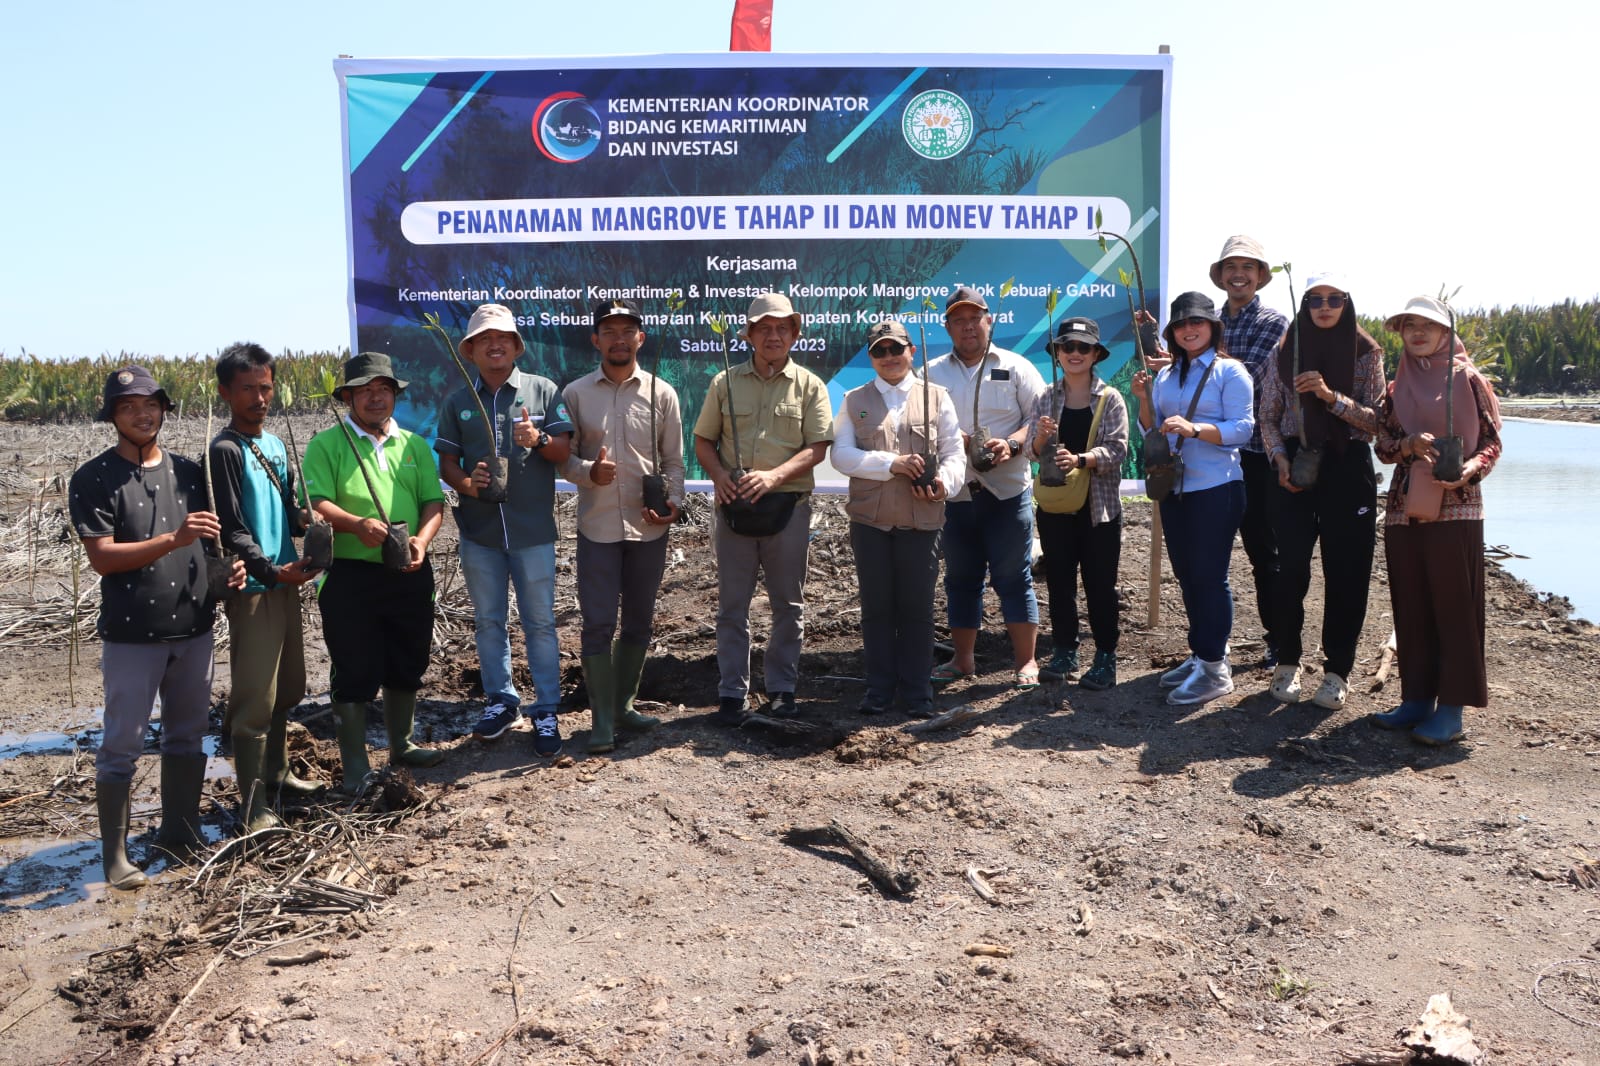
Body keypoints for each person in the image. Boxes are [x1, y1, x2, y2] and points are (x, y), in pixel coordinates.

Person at [69, 366, 246, 890]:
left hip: (194, 629)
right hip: (132, 635)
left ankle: (180, 831)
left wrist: (229, 571)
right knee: (122, 742)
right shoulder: (94, 478)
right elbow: (103, 558)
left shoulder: (192, 473)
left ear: (164, 410)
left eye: (150, 405)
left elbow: (212, 545)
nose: (142, 414)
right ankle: (115, 857)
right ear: (113, 417)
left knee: (187, 735)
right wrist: (173, 538)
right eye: (128, 407)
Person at [434, 304, 574, 757]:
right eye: (484, 340)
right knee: (489, 621)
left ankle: (547, 708)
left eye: (504, 339)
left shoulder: (543, 390)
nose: (495, 345)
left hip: (532, 530)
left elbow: (564, 449)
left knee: (540, 622)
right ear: (470, 350)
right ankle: (501, 701)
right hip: (480, 534)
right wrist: (466, 487)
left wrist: (540, 441)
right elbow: (448, 464)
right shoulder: (458, 402)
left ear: (516, 347)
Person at [303, 353, 446, 791]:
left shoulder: (414, 445)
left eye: (383, 389)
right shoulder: (327, 444)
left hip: (408, 570)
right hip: (351, 574)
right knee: (354, 665)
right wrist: (354, 524)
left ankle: (402, 744)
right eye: (365, 390)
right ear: (347, 397)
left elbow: (432, 503)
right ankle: (354, 764)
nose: (375, 397)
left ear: (395, 395)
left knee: (408, 657)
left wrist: (422, 540)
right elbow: (317, 504)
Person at [693, 292, 833, 723]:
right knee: (732, 606)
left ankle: (782, 690)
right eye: (765, 328)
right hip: (735, 510)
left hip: (787, 508)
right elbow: (703, 441)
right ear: (749, 335)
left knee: (788, 605)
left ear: (794, 334)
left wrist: (774, 477)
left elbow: (818, 447)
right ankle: (732, 694)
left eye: (782, 328)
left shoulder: (810, 386)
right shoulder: (725, 383)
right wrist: (719, 477)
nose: (774, 336)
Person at [1370, 295, 1502, 746]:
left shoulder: (1470, 380)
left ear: (1446, 333)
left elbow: (1492, 443)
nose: (1418, 333)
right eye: (1409, 326)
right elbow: (1383, 446)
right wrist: (1406, 445)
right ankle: (1416, 700)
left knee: (1454, 607)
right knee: (1412, 603)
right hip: (1405, 509)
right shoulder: (1394, 387)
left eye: (1428, 326)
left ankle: (1451, 710)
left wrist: (1469, 469)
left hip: (1457, 507)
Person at [209, 343, 324, 832]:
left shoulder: (275, 445)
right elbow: (232, 528)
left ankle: (276, 773)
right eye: (248, 389)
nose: (259, 398)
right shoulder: (226, 450)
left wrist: (307, 520)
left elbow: (290, 510)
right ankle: (253, 805)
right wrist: (271, 571)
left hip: (285, 580)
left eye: (266, 388)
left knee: (288, 687)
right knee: (254, 699)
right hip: (257, 585)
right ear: (225, 393)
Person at [563, 298, 685, 753]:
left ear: (641, 338)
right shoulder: (575, 393)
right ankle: (600, 723)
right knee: (597, 624)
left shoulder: (662, 393)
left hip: (648, 529)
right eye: (609, 331)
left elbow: (674, 460)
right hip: (596, 527)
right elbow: (564, 458)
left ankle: (623, 708)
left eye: (626, 330)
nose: (618, 338)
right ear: (596, 339)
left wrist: (672, 502)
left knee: (638, 622)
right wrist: (586, 472)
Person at [1259, 274, 1386, 712]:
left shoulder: (1366, 353)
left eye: (1334, 299)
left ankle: (1337, 671)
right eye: (1315, 299)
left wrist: (1332, 398)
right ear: (1305, 305)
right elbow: (1268, 418)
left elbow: (1378, 422)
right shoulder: (1284, 352)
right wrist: (1278, 459)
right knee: (1289, 567)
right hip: (1296, 464)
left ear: (1347, 303)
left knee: (1347, 570)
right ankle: (1287, 661)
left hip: (1348, 464)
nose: (1324, 306)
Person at [832, 319, 965, 718]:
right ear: (871, 357)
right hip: (870, 523)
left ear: (913, 351)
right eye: (879, 351)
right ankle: (878, 690)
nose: (889, 357)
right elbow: (841, 455)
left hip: (920, 522)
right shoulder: (854, 399)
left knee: (917, 608)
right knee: (876, 607)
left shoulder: (937, 397)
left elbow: (955, 453)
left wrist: (944, 483)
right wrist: (892, 463)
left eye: (895, 349)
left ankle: (918, 692)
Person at [1132, 292, 1255, 705]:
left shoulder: (1229, 372)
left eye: (1197, 322)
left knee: (1209, 576)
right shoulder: (1166, 376)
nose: (1190, 329)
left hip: (1217, 487)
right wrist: (1142, 403)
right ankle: (1202, 654)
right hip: (1176, 488)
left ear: (1212, 327)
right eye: (1182, 324)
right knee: (1187, 576)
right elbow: (1154, 431)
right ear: (1172, 332)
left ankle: (1216, 668)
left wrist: (1195, 429)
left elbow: (1243, 429)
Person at [926, 285, 1048, 689]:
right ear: (947, 327)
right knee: (960, 578)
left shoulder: (1015, 366)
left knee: (1014, 577)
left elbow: (1042, 416)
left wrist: (1011, 444)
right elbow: (917, 423)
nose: (967, 328)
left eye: (974, 319)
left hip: (1007, 493)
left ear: (988, 321)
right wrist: (953, 442)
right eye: (958, 321)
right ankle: (963, 661)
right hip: (956, 496)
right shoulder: (931, 373)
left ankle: (1025, 662)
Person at [1028, 316, 1130, 691]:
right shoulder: (1046, 397)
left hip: (1099, 509)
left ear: (1095, 354)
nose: (1074, 353)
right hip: (1055, 507)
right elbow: (1030, 452)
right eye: (1067, 346)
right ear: (1057, 353)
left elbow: (1118, 449)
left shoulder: (1110, 398)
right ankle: (1064, 652)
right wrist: (1040, 439)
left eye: (1082, 348)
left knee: (1100, 585)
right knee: (1059, 583)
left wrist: (1082, 459)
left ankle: (1105, 658)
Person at [1211, 236, 1291, 666]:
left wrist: (1196, 362)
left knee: (1265, 551)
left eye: (1248, 266)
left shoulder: (1275, 323)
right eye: (1231, 267)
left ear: (1260, 276)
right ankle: (1211, 642)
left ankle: (1278, 640)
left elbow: (1249, 376)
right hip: (1211, 455)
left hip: (1258, 453)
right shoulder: (1208, 320)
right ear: (1221, 275)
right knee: (1210, 552)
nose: (1238, 274)